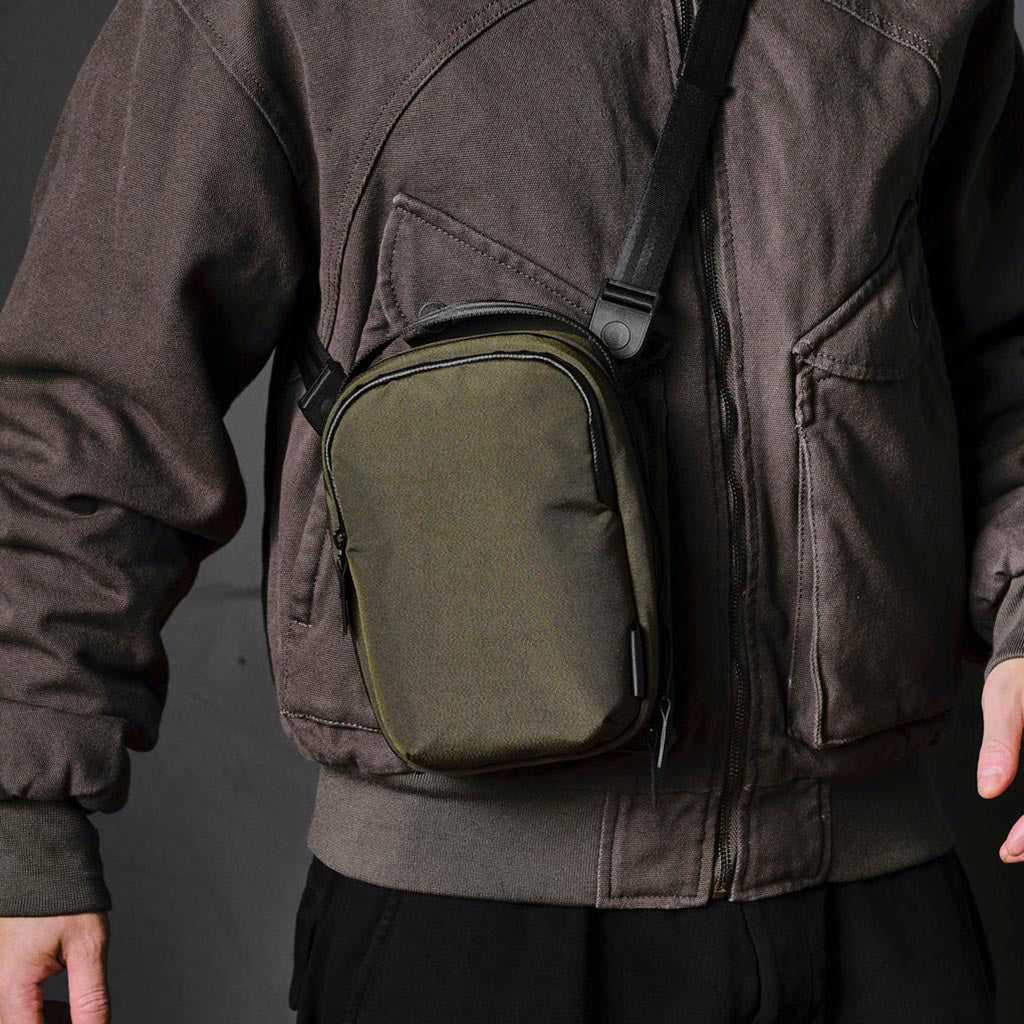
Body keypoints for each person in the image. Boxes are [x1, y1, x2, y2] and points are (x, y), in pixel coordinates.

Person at [1, 0, 1022, 1020]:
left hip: (877, 896)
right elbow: (98, 390)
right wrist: (25, 811)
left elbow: (1002, 346)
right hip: (465, 917)